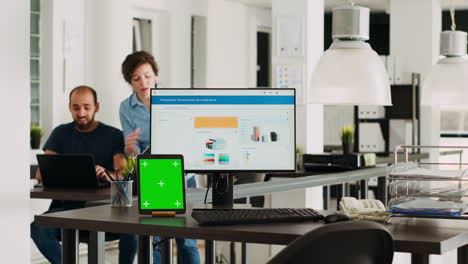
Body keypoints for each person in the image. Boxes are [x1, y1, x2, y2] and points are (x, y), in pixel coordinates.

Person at [30, 86, 137, 264]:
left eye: (87, 107)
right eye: (76, 107)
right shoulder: (60, 133)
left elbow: (122, 173)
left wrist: (106, 174)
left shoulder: (113, 135)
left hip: (108, 210)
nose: (81, 113)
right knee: (39, 228)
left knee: (132, 230)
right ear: (69, 107)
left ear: (97, 106)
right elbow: (41, 175)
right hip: (67, 210)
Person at [120, 51, 200, 264]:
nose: (143, 82)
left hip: (183, 175)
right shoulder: (126, 108)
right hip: (153, 178)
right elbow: (134, 155)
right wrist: (130, 148)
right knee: (155, 238)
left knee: (187, 239)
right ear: (130, 82)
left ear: (155, 74)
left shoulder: (174, 99)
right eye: (136, 78)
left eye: (147, 75)